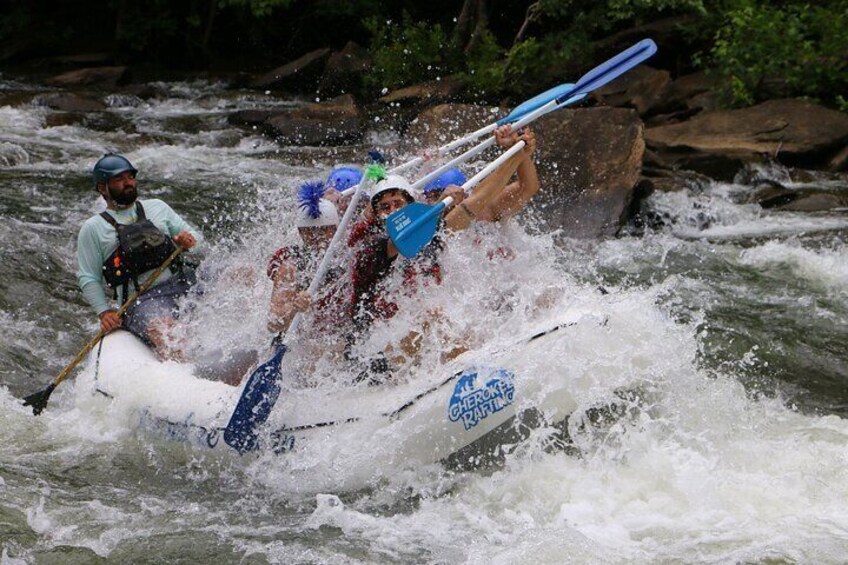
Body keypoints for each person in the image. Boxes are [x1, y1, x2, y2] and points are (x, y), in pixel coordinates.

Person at [77, 153, 201, 359]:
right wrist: (104, 312)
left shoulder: (158, 207)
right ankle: (191, 375)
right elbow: (88, 277)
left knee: (240, 273)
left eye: (130, 177)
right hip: (143, 300)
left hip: (185, 280)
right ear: (102, 188)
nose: (128, 183)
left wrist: (188, 242)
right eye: (119, 179)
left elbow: (197, 239)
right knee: (164, 331)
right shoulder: (93, 229)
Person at [266, 181, 347, 338]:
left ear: (336, 229)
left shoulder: (349, 253)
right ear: (301, 233)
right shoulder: (291, 265)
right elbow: (273, 324)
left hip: (338, 333)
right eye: (309, 232)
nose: (317, 237)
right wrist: (294, 307)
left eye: (324, 230)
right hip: (302, 338)